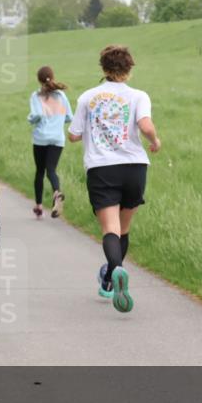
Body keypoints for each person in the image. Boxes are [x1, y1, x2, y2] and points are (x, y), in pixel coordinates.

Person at [68, 45, 161, 313]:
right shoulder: (139, 96)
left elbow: (73, 135)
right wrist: (155, 141)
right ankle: (109, 279)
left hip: (102, 168)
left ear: (103, 68)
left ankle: (116, 270)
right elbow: (145, 126)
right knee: (125, 228)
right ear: (130, 68)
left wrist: (84, 130)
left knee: (110, 229)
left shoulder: (88, 97)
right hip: (134, 167)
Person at [28, 66, 73, 219]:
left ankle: (39, 206)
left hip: (41, 138)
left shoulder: (36, 95)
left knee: (40, 171)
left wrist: (30, 119)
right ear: (52, 77)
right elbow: (69, 117)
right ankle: (56, 192)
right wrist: (58, 119)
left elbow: (37, 115)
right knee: (51, 170)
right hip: (57, 138)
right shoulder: (61, 95)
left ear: (39, 79)